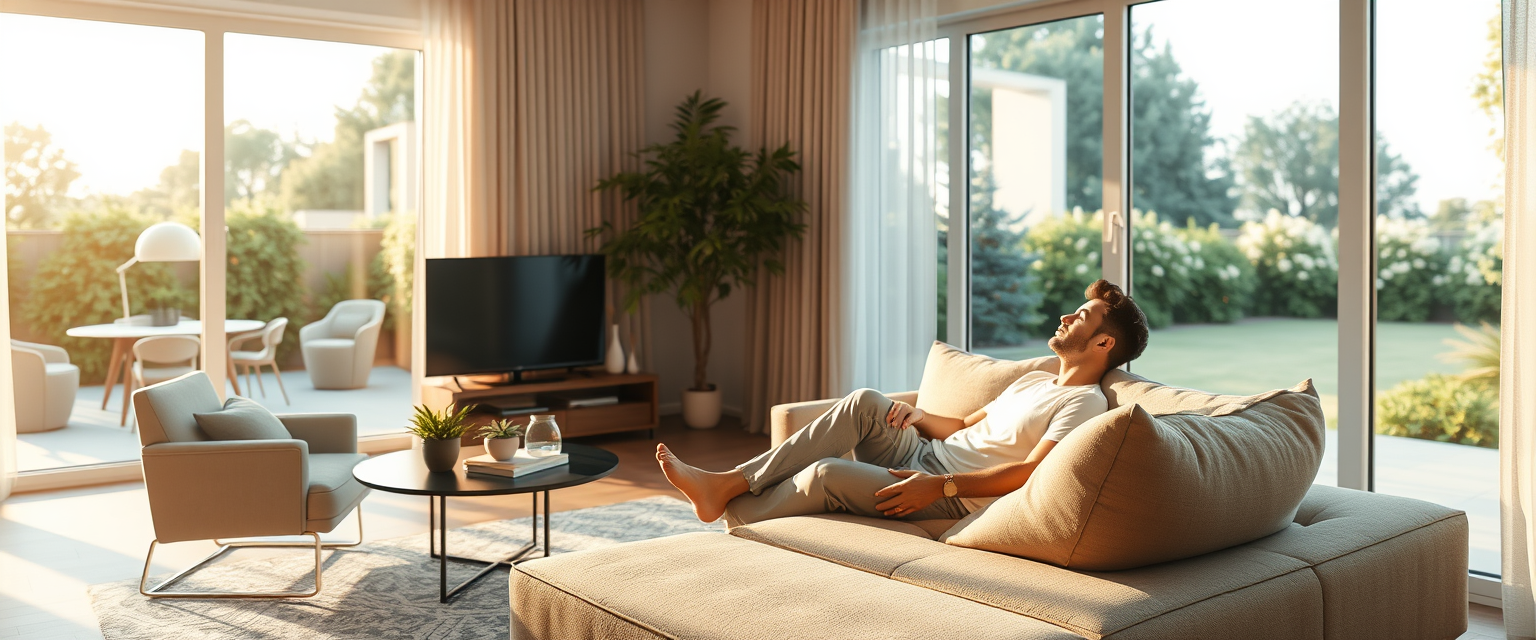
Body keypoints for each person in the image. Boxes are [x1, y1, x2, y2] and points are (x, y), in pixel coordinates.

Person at [658, 279, 1150, 527]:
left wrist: (939, 487)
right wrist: (916, 416)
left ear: (1104, 344)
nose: (1067, 315)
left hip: (946, 494)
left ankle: (731, 510)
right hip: (923, 456)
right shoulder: (1038, 380)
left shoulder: (1084, 405)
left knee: (828, 473)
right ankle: (725, 484)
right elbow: (963, 424)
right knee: (866, 401)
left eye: (1083, 315)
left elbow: (1029, 474)